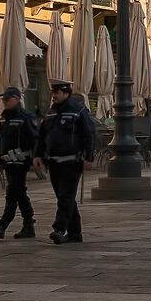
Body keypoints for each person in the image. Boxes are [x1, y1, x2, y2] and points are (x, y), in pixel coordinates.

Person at [38, 78, 98, 242]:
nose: (54, 96)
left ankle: (59, 229)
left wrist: (89, 157)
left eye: (56, 92)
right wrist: (38, 155)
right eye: (53, 92)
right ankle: (75, 233)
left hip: (72, 161)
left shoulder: (78, 111)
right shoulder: (51, 112)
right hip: (54, 162)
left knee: (66, 196)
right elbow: (42, 136)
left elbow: (89, 135)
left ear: (66, 93)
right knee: (65, 197)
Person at [0, 87, 40, 239]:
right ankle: (28, 225)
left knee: (12, 193)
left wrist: (34, 159)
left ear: (17, 100)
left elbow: (35, 139)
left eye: (7, 99)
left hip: (20, 161)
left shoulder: (26, 117)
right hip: (7, 162)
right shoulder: (4, 117)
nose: (4, 102)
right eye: (3, 99)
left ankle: (3, 225)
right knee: (20, 193)